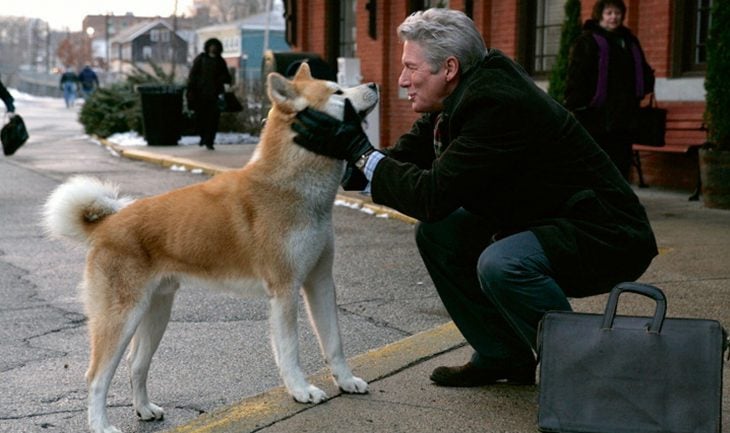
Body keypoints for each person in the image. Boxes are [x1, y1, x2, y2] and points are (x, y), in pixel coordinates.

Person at [292, 8, 657, 387]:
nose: (402, 80)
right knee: (439, 233)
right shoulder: (460, 94)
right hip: (550, 218)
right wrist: (339, 156)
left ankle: (587, 372)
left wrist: (358, 150)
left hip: (605, 233)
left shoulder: (496, 105)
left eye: (411, 68)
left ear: (448, 68)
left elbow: (431, 195)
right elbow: (401, 159)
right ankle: (504, 354)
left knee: (503, 264)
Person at [564, 0, 655, 180]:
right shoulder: (588, 41)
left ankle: (619, 200)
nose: (614, 17)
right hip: (596, 116)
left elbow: (643, 70)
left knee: (621, 162)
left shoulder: (629, 41)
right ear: (600, 16)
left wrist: (646, 85)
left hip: (625, 116)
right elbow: (576, 75)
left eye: (617, 13)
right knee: (597, 162)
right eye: (609, 13)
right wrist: (578, 104)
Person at [186, 38, 232, 150]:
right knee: (200, 118)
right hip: (200, 95)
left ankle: (210, 141)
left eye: (215, 46)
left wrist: (221, 80)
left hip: (215, 96)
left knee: (213, 120)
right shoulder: (201, 59)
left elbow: (227, 77)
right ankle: (203, 136)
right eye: (211, 46)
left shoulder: (220, 61)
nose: (213, 48)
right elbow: (192, 75)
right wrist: (191, 90)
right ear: (207, 47)